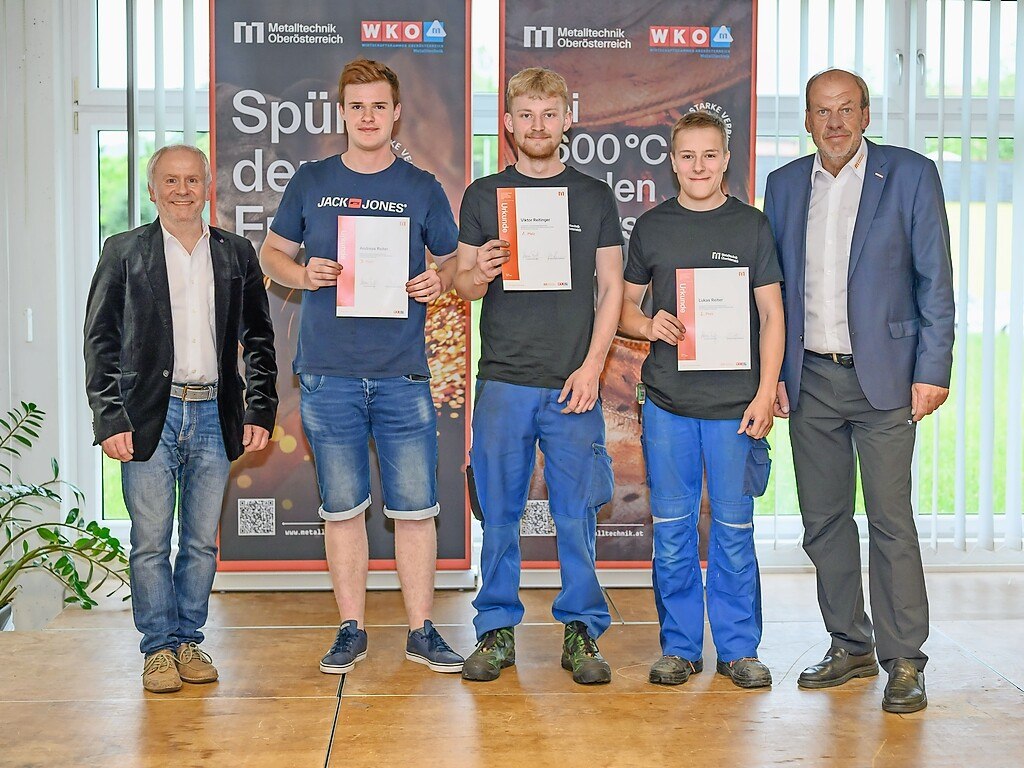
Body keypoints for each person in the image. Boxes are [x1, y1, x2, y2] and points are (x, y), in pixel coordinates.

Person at [259, 58, 463, 676]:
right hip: (328, 373)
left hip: (403, 372)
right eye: (357, 106)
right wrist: (303, 274)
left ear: (395, 112)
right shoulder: (311, 180)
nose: (368, 116)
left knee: (415, 509)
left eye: (379, 106)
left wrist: (436, 280)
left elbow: (453, 262)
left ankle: (422, 631)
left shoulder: (422, 187)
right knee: (342, 508)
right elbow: (271, 253)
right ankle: (351, 629)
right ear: (342, 112)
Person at [764, 68, 954, 713]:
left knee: (891, 522)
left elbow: (935, 281)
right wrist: (775, 377)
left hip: (888, 378)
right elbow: (775, 291)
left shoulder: (910, 174)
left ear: (867, 114)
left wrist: (934, 368)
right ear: (808, 118)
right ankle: (850, 643)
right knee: (823, 522)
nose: (835, 122)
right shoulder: (784, 185)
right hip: (810, 377)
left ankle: (905, 660)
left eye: (847, 109)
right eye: (823, 110)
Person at [84, 144, 279, 693]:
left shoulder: (237, 253)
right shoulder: (123, 252)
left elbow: (258, 340)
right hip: (149, 417)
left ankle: (189, 641)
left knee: (199, 541)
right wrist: (109, 418)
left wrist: (259, 406)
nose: (182, 190)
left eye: (193, 180)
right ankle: (158, 649)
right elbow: (100, 342)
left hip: (215, 413)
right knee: (149, 541)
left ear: (208, 187)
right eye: (170, 180)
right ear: (152, 190)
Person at [454, 67, 624, 685]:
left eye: (548, 114)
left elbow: (611, 290)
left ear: (566, 119)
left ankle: (581, 632)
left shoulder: (594, 196)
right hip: (503, 379)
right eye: (525, 115)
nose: (537, 126)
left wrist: (592, 367)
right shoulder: (483, 195)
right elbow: (464, 285)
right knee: (498, 513)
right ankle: (495, 629)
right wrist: (486, 269)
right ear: (507, 123)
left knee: (576, 513)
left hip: (573, 383)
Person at [619, 111, 784, 690]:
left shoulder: (752, 227)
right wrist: (648, 324)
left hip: (737, 410)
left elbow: (773, 315)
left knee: (735, 534)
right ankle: (681, 648)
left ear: (726, 158)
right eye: (687, 156)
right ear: (672, 161)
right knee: (672, 532)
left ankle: (739, 649)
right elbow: (621, 308)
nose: (698, 166)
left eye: (709, 155)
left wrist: (766, 393)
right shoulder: (652, 227)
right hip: (668, 406)